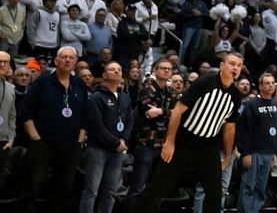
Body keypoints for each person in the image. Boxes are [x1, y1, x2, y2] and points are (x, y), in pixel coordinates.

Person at [134, 52, 245, 213]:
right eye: (232, 63)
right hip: (183, 141)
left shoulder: (236, 95)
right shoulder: (205, 82)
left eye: (239, 65)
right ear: (222, 66)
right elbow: (178, 111)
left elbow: (229, 127)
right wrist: (170, 143)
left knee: (214, 193)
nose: (235, 68)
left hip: (208, 146)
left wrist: (228, 156)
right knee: (159, 187)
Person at [19, 45, 89, 213]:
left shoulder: (79, 84)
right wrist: (35, 137)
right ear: (56, 61)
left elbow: (86, 112)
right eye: (63, 57)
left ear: (75, 62)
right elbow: (25, 110)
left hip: (70, 144)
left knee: (64, 186)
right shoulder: (43, 82)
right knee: (32, 185)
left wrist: (81, 135)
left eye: (71, 58)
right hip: (44, 142)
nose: (67, 60)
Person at [81, 61, 134, 213]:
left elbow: (129, 120)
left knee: (111, 191)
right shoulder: (97, 96)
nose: (117, 72)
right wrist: (116, 142)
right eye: (112, 70)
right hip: (98, 149)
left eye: (119, 69)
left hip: (117, 150)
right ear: (104, 75)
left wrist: (123, 139)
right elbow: (96, 125)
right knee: (92, 190)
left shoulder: (124, 97)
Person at [131, 59, 178, 200]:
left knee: (157, 188)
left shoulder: (173, 92)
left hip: (164, 144)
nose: (166, 71)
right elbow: (149, 113)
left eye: (169, 69)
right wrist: (169, 112)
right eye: (162, 68)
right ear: (155, 71)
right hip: (147, 142)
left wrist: (161, 111)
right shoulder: (146, 90)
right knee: (138, 187)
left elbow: (179, 114)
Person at [236, 73, 277, 213]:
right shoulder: (251, 104)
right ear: (260, 86)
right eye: (267, 83)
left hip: (268, 152)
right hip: (253, 152)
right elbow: (244, 130)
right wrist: (245, 153)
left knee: (261, 188)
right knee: (248, 186)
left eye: (272, 83)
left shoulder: (275, 104)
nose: (270, 85)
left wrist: (275, 152)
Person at [0, 50, 17, 195]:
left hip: (3, 141)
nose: (2, 64)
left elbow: (12, 116)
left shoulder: (11, 88)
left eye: (5, 62)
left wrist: (11, 138)